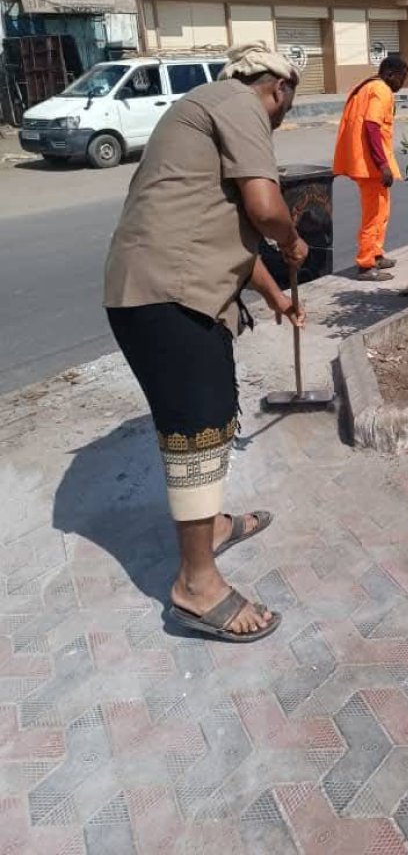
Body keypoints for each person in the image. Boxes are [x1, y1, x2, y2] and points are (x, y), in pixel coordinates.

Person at [104, 42, 309, 641]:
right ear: (275, 88)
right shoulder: (240, 102)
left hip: (161, 288)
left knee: (211, 415)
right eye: (284, 109)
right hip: (165, 292)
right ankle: (195, 585)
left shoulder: (205, 111)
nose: (280, 119)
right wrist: (292, 243)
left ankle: (210, 524)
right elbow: (265, 209)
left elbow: (223, 231)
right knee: (196, 428)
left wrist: (275, 296)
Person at [332, 54, 408, 281]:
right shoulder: (381, 90)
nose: (401, 84)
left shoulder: (369, 87)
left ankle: (376, 253)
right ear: (389, 74)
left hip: (367, 163)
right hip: (371, 165)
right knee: (373, 214)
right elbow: (372, 127)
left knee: (381, 209)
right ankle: (366, 264)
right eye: (401, 78)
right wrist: (383, 164)